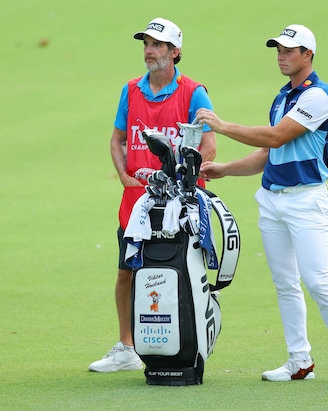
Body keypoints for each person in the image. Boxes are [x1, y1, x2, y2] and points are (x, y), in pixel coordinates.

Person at [195, 24, 328, 386]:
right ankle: (299, 360)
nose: (281, 55)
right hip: (272, 200)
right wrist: (226, 169)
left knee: (317, 280)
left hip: (307, 200)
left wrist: (222, 126)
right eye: (278, 49)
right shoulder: (282, 99)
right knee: (285, 283)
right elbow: (269, 153)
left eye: (289, 50)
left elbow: (277, 135)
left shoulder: (318, 96)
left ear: (308, 55)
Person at [89, 17, 217, 372]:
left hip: (179, 205)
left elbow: (208, 146)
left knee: (185, 272)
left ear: (175, 52)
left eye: (158, 44)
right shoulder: (130, 90)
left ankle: (189, 342)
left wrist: (185, 181)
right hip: (136, 203)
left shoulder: (194, 92)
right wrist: (123, 174)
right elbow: (117, 138)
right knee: (126, 272)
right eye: (146, 43)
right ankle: (127, 347)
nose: (149, 50)